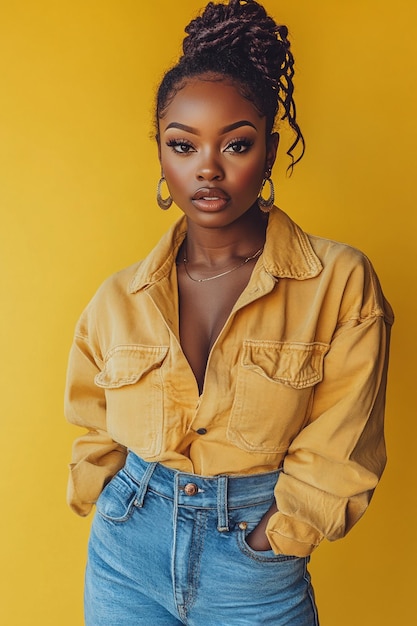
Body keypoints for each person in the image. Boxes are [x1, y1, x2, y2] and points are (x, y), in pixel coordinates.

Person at [64, 1, 393, 624]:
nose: (207, 169)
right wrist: (106, 488)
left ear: (270, 150)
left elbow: (344, 439)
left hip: (253, 560)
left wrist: (278, 535)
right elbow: (92, 420)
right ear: (161, 156)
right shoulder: (119, 297)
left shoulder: (339, 282)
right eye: (183, 145)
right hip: (125, 551)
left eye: (235, 144)